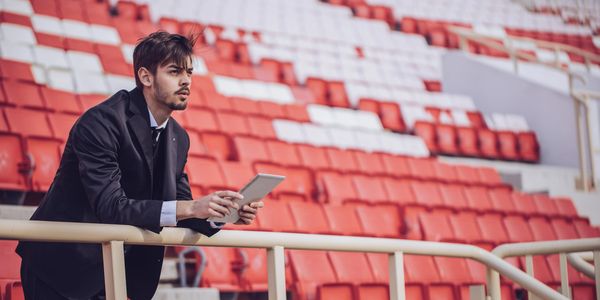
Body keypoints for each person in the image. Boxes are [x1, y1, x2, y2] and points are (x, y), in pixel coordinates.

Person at [16, 31, 263, 300]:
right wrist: (191, 206)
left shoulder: (179, 137)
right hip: (61, 269)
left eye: (189, 73)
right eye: (174, 71)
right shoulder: (100, 123)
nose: (186, 81)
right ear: (146, 77)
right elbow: (111, 207)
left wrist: (222, 214)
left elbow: (179, 203)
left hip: (114, 271)